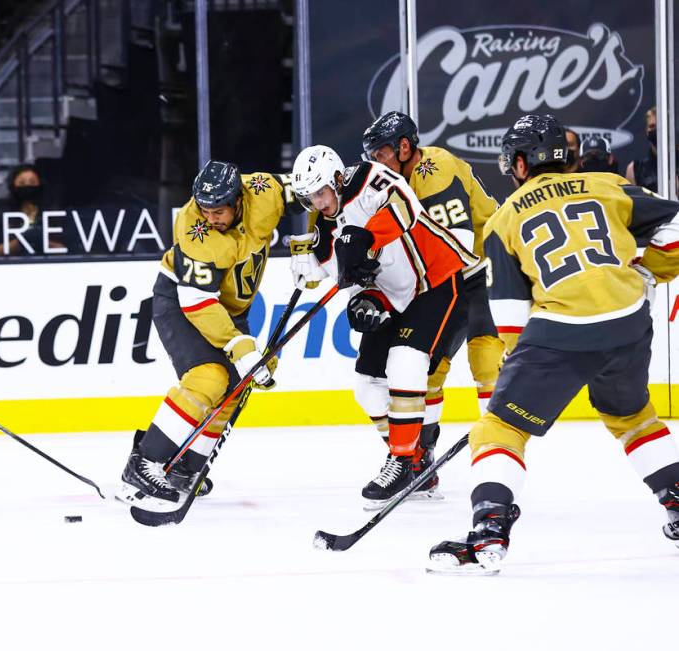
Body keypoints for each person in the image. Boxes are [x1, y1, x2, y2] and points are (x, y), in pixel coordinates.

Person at [428, 114, 679, 575]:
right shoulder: (606, 185)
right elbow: (676, 226)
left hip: (561, 331)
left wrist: (513, 370)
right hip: (628, 320)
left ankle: (488, 530)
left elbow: (509, 317)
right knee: (631, 416)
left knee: (499, 429)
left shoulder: (505, 216)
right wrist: (647, 267)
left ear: (521, 164)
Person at [289, 144, 475, 508]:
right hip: (399, 298)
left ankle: (402, 461)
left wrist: (367, 236)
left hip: (439, 279)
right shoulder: (326, 236)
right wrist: (365, 301)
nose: (318, 203)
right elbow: (357, 280)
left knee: (405, 361)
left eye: (321, 192)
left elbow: (405, 206)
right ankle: (417, 460)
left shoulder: (368, 178)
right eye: (309, 198)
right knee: (366, 384)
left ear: (338, 179)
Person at [116, 161, 288, 512]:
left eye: (219, 211)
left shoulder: (264, 191)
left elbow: (310, 192)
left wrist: (313, 245)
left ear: (239, 200)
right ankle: (144, 462)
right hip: (181, 303)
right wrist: (241, 346)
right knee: (209, 377)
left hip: (229, 309)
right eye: (206, 210)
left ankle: (185, 467)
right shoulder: (194, 231)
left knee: (236, 387)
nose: (211, 218)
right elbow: (198, 302)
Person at [358, 111, 504, 506]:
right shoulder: (389, 182)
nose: (375, 161)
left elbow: (455, 244)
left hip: (475, 270)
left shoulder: (434, 169)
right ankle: (421, 459)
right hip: (438, 279)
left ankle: (501, 458)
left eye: (382, 152)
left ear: (406, 147)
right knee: (427, 371)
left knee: (486, 361)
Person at [0, 163, 46, 256]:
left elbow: (66, 248)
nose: (27, 186)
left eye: (32, 182)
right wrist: (21, 241)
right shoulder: (2, 211)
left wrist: (43, 241)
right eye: (21, 183)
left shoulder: (51, 211)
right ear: (12, 185)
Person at [626, 107, 678, 195]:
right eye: (652, 126)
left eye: (661, 125)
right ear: (647, 131)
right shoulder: (635, 169)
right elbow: (631, 205)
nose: (656, 130)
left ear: (669, 128)